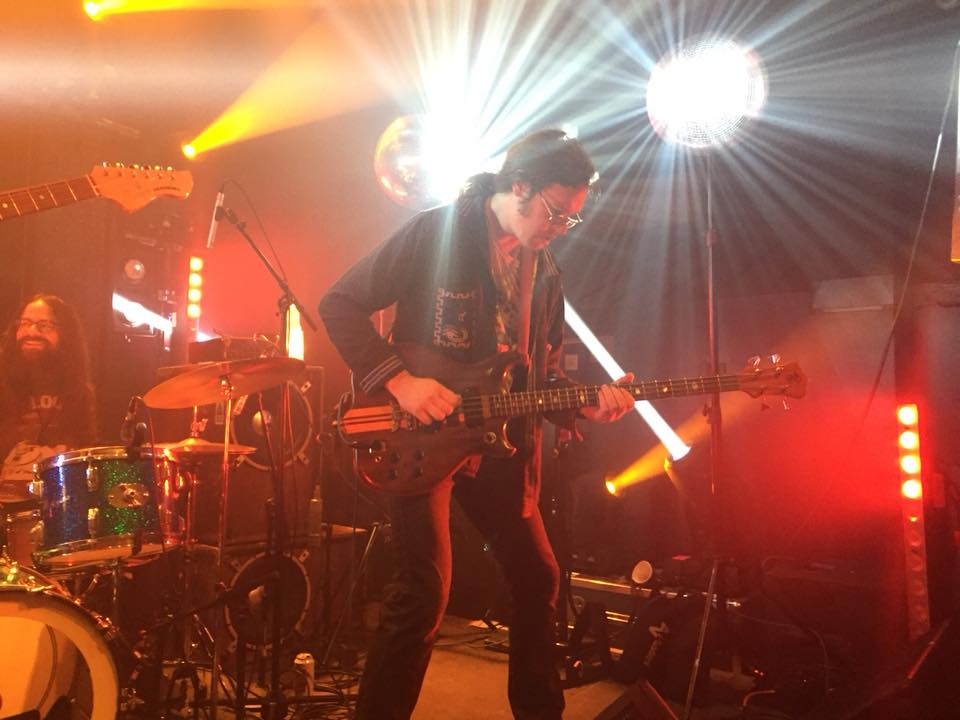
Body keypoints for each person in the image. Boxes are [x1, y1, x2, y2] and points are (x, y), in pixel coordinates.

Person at [319, 128, 635, 720]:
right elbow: (339, 303)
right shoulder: (439, 234)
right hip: (418, 436)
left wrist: (584, 405)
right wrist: (401, 382)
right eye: (556, 212)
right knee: (423, 594)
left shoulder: (546, 273)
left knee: (538, 576)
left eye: (571, 218)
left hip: (495, 442)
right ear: (521, 187)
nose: (561, 227)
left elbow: (537, 379)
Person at [0, 293, 97, 508]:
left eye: (44, 325)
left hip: (59, 503)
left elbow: (86, 452)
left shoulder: (79, 390)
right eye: (25, 323)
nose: (31, 332)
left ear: (64, 334)